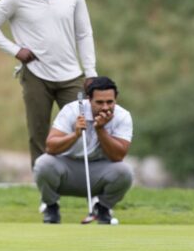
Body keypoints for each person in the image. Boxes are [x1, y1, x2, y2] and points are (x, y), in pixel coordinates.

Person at [0, 0, 97, 167]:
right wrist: (15, 50)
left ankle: (85, 179)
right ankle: (44, 186)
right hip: (36, 75)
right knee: (38, 133)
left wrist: (90, 71)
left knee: (85, 127)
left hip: (71, 75)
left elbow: (84, 33)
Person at [33, 76, 133, 225]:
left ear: (115, 99)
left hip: (99, 172)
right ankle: (51, 207)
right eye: (99, 102)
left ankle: (102, 208)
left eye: (109, 102)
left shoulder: (123, 116)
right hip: (66, 170)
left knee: (124, 172)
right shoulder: (72, 110)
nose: (105, 107)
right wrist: (75, 135)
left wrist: (100, 130)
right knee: (44, 163)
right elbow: (51, 147)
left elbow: (118, 156)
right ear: (89, 99)